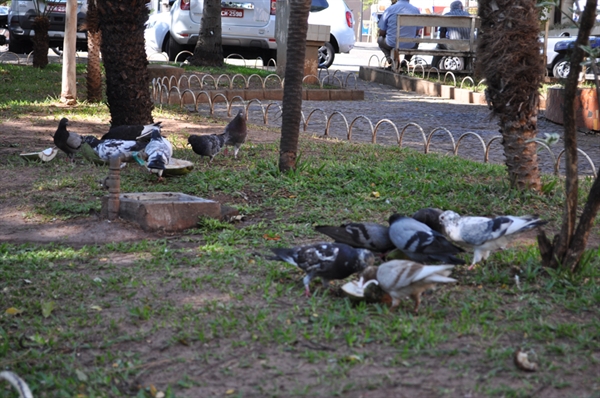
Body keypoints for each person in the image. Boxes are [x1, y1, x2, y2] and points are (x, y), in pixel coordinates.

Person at [377, 0, 421, 67]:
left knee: (380, 40)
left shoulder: (390, 9)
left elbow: (382, 32)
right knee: (417, 39)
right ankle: (406, 61)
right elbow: (417, 32)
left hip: (392, 43)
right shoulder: (415, 10)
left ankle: (390, 59)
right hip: (410, 44)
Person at [431, 1, 471, 68]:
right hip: (468, 46)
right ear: (461, 7)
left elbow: (442, 35)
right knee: (465, 46)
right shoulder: (469, 15)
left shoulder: (447, 15)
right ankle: (467, 67)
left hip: (453, 46)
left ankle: (433, 67)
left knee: (439, 45)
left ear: (451, 8)